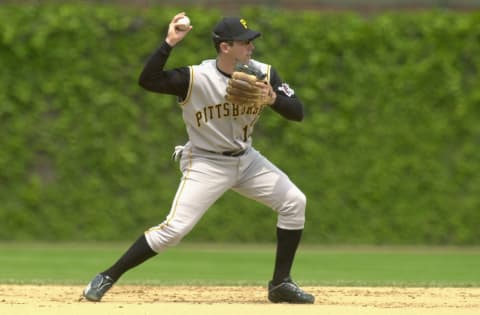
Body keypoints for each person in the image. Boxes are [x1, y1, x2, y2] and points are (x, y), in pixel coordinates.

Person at [82, 12, 314, 304]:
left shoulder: (264, 74)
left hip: (247, 159)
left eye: (251, 40)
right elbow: (148, 80)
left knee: (295, 202)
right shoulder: (195, 78)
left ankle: (280, 283)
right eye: (244, 42)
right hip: (206, 162)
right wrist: (169, 42)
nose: (251, 46)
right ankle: (107, 276)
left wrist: (273, 99)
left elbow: (298, 111)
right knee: (173, 230)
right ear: (225, 47)